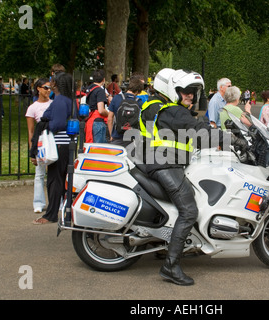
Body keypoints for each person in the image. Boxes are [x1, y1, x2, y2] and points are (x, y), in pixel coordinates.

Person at [136, 68, 246, 286]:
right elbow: (198, 130)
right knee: (189, 210)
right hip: (163, 164)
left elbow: (192, 131)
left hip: (160, 161)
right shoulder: (171, 111)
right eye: (186, 91)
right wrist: (232, 140)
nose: (191, 96)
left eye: (194, 92)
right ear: (171, 89)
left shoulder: (156, 105)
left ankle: (171, 246)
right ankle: (170, 266)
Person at [32, 72, 74, 224]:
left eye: (52, 82)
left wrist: (44, 124)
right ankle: (61, 210)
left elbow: (58, 124)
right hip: (64, 143)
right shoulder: (66, 100)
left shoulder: (60, 101)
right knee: (60, 179)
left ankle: (51, 214)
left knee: (54, 180)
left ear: (56, 84)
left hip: (59, 143)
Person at [26, 79, 52, 214]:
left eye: (49, 88)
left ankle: (56, 201)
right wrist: (32, 150)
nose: (48, 90)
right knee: (39, 173)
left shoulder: (53, 104)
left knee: (54, 172)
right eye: (45, 87)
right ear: (38, 89)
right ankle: (38, 202)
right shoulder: (33, 108)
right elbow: (31, 131)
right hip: (41, 141)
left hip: (52, 140)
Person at [107, 74, 144, 147]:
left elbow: (109, 118)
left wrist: (111, 134)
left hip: (117, 137)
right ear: (138, 91)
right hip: (132, 140)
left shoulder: (117, 98)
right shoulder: (139, 102)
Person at [85, 69, 109, 143]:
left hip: (89, 121)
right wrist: (109, 114)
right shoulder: (100, 91)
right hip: (98, 122)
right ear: (103, 79)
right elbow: (101, 110)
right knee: (99, 149)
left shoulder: (89, 89)